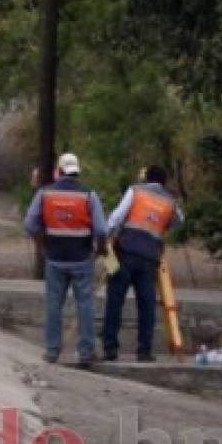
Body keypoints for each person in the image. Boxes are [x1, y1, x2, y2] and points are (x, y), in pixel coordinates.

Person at [24, 153, 108, 368]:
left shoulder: (45, 194)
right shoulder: (89, 196)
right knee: (85, 305)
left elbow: (30, 225)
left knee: (54, 304)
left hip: (54, 259)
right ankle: (86, 353)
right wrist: (100, 250)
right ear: (77, 171)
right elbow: (101, 229)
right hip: (82, 259)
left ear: (59, 171)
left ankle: (52, 352)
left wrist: (42, 246)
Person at [100, 165, 184, 361]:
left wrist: (107, 239)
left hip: (125, 253)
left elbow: (116, 218)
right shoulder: (169, 201)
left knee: (115, 301)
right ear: (164, 181)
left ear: (147, 178)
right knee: (146, 305)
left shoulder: (136, 191)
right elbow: (179, 220)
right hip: (149, 259)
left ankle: (110, 348)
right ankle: (144, 351)